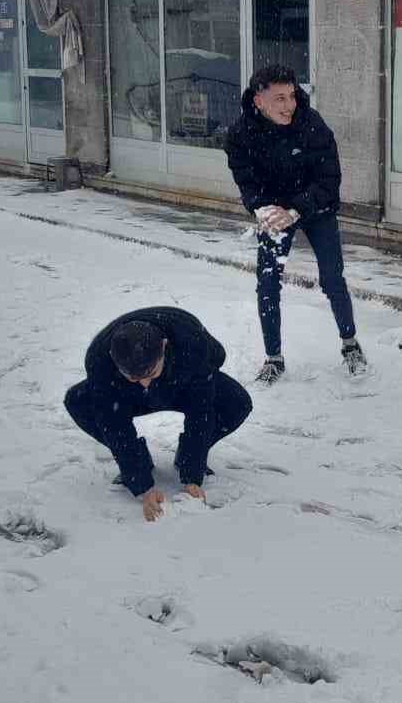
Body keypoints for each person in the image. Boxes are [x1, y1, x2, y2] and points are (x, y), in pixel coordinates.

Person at [225, 64, 365, 382]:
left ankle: (350, 344)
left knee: (332, 278)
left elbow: (329, 179)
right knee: (268, 282)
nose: (289, 105)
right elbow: (245, 179)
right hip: (275, 212)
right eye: (279, 99)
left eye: (291, 96)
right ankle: (274, 358)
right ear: (258, 101)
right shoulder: (241, 134)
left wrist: (297, 209)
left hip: (316, 209)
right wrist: (262, 209)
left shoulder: (311, 125)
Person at [64, 307, 252, 521]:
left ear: (164, 346)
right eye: (135, 378)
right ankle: (141, 461)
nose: (145, 383)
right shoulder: (100, 360)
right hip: (128, 396)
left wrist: (193, 475)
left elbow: (201, 412)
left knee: (237, 402)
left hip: (182, 384)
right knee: (78, 401)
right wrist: (142, 485)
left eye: (150, 373)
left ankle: (184, 457)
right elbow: (114, 424)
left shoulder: (192, 342)